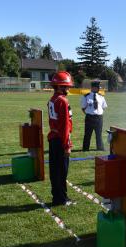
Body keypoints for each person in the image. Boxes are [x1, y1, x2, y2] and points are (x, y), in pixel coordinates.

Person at [47, 71, 75, 206]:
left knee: (55, 170)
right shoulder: (62, 101)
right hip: (60, 140)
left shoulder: (52, 99)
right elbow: (64, 126)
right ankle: (62, 199)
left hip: (53, 138)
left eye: (67, 86)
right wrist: (67, 146)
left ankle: (56, 197)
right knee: (61, 172)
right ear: (57, 86)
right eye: (64, 86)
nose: (67, 89)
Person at [81, 79, 107, 151]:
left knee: (99, 134)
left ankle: (100, 148)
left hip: (99, 118)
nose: (99, 89)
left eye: (99, 87)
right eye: (97, 87)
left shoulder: (101, 97)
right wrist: (89, 114)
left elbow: (104, 107)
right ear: (93, 88)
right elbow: (83, 108)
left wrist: (98, 113)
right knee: (87, 134)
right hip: (90, 117)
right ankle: (85, 149)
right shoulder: (86, 96)